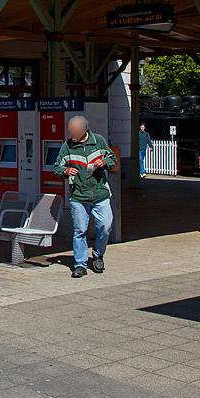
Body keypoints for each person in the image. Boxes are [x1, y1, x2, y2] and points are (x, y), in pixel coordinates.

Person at [54, 114, 117, 278]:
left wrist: (104, 163)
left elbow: (112, 159)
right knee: (79, 231)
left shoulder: (99, 141)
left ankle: (98, 255)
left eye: (74, 131)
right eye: (70, 131)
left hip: (100, 194)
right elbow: (56, 168)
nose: (71, 135)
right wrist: (66, 171)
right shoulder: (66, 147)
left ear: (84, 130)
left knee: (105, 226)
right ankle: (80, 264)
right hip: (78, 197)